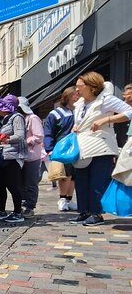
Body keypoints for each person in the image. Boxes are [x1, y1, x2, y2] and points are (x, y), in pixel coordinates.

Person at [70, 72, 132, 226]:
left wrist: (107, 119)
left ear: (92, 87)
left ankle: (96, 213)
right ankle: (84, 211)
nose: (76, 91)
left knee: (97, 181)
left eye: (79, 88)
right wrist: (75, 126)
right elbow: (81, 121)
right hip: (83, 147)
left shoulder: (106, 100)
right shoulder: (80, 104)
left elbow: (129, 112)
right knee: (82, 180)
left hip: (101, 146)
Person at [0, 95, 27, 223]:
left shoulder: (17, 117)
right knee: (0, 185)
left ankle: (17, 212)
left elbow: (20, 135)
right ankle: (1, 210)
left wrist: (7, 139)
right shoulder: (4, 119)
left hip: (13, 156)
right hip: (3, 156)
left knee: (13, 185)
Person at [44, 86, 79, 211]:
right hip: (62, 148)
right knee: (65, 174)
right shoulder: (56, 114)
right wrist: (50, 149)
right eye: (75, 95)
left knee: (74, 175)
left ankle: (69, 200)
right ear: (68, 96)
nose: (78, 97)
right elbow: (48, 132)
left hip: (78, 147)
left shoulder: (78, 111)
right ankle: (63, 199)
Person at [17, 97, 44, 219]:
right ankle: (24, 204)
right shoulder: (21, 119)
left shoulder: (33, 118)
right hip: (22, 155)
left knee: (31, 182)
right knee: (21, 182)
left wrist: (26, 141)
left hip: (32, 155)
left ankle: (30, 206)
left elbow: (39, 136)